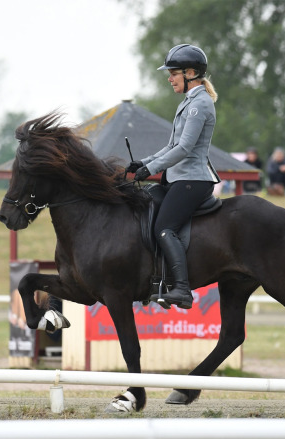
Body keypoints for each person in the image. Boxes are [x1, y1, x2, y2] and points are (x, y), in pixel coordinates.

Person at [125, 44, 220, 309]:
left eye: (174, 73)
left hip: (193, 180)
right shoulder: (188, 103)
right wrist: (142, 163)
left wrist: (151, 170)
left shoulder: (199, 105)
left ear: (191, 73)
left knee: (164, 228)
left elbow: (185, 148)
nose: (170, 78)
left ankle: (181, 289)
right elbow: (170, 146)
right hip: (177, 178)